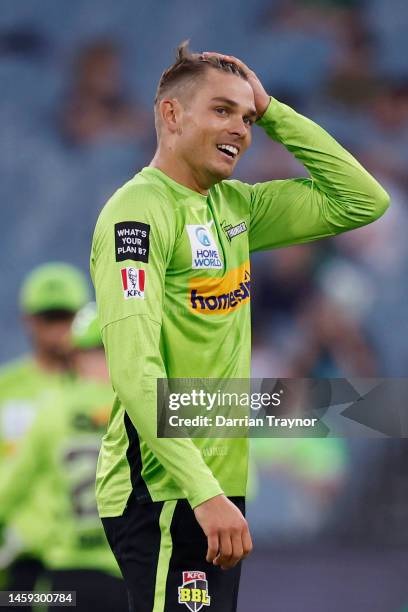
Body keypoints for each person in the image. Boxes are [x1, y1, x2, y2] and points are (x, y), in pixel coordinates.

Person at [90, 42, 390, 611]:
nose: (242, 130)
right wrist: (202, 495)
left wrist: (274, 109)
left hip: (217, 486)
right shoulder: (139, 212)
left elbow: (363, 201)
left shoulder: (237, 209)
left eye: (247, 118)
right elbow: (134, 371)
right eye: (223, 110)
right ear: (172, 115)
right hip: (165, 490)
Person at [0, 303, 128, 611]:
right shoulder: (145, 402)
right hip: (132, 572)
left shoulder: (54, 406)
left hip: (69, 572)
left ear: (78, 353)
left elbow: (11, 487)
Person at [0, 262, 89, 603]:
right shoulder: (7, 388)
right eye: (49, 318)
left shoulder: (103, 389)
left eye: (66, 317)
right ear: (28, 320)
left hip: (87, 552)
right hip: (21, 554)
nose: (58, 329)